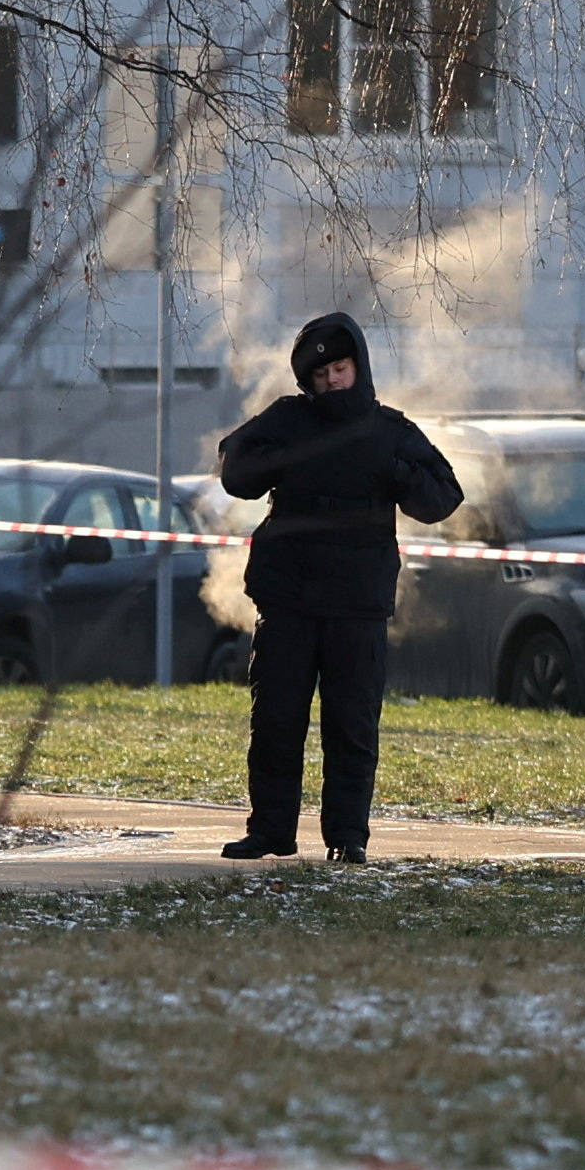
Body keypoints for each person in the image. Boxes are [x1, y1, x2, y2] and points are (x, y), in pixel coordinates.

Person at [211, 309, 459, 864]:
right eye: (320, 375)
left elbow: (443, 496)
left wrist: (395, 471)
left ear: (359, 368)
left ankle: (348, 838)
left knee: (351, 725)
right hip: (289, 598)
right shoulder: (287, 419)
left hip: (356, 604)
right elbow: (235, 469)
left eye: (340, 370)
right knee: (276, 719)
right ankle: (271, 830)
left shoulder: (389, 431)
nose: (331, 382)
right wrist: (283, 459)